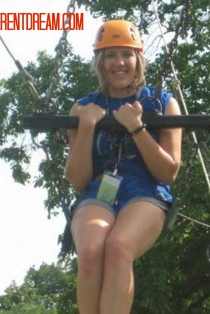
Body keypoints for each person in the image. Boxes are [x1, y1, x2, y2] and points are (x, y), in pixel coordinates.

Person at [65, 20, 182, 314]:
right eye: (110, 55)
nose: (119, 63)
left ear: (138, 59)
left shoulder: (162, 103)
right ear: (100, 62)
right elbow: (78, 181)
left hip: (146, 192)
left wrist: (137, 128)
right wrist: (88, 127)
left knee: (118, 246)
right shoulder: (83, 109)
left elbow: (168, 173)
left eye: (126, 54)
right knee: (91, 251)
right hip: (99, 193)